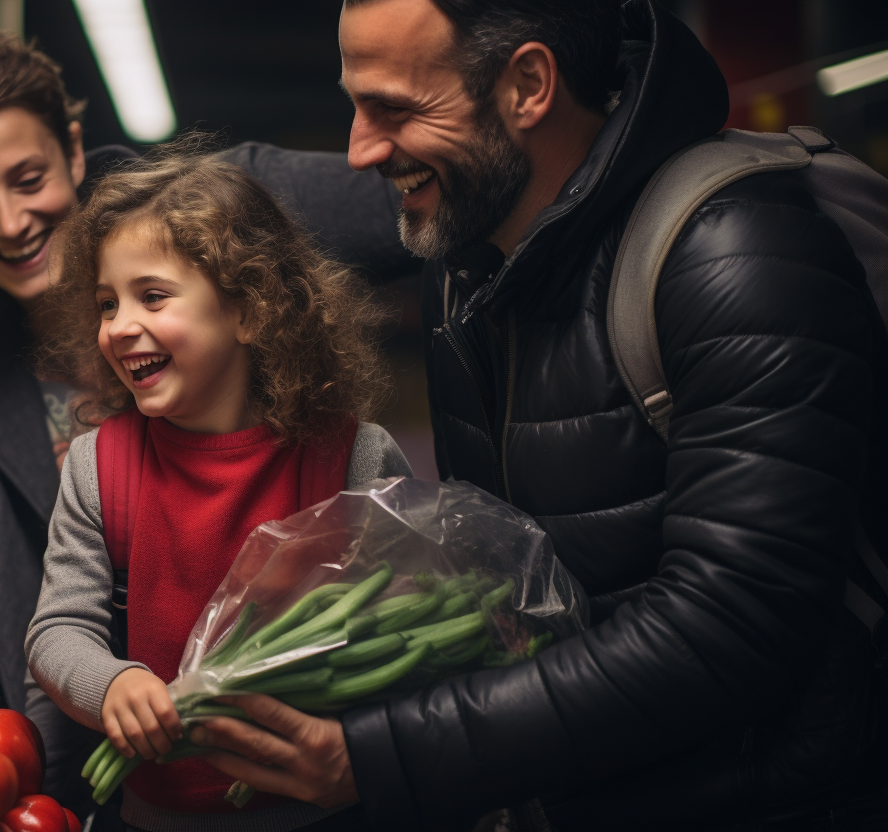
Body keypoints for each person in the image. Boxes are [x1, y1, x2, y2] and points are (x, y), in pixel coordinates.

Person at [192, 0, 888, 829]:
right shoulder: (463, 266)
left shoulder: (734, 254)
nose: (359, 149)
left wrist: (384, 757)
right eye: (355, 103)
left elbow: (736, 620)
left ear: (528, 86)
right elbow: (518, 586)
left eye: (397, 109)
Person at [0, 25, 413, 805]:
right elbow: (36, 627)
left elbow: (434, 189)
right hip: (123, 787)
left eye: (28, 177)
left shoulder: (216, 210)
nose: (9, 220)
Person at [24, 148, 412, 832]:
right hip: (153, 818)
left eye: (152, 295)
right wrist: (111, 681)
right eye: (106, 304)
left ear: (249, 311)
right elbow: (58, 629)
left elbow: (403, 634)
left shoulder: (355, 458)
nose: (117, 326)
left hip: (326, 816)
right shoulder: (97, 466)